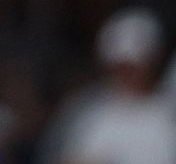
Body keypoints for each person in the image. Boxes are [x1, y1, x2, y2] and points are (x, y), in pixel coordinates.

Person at [55, 9, 176, 164]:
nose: (127, 74)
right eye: (120, 66)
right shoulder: (90, 115)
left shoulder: (168, 111)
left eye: (134, 66)